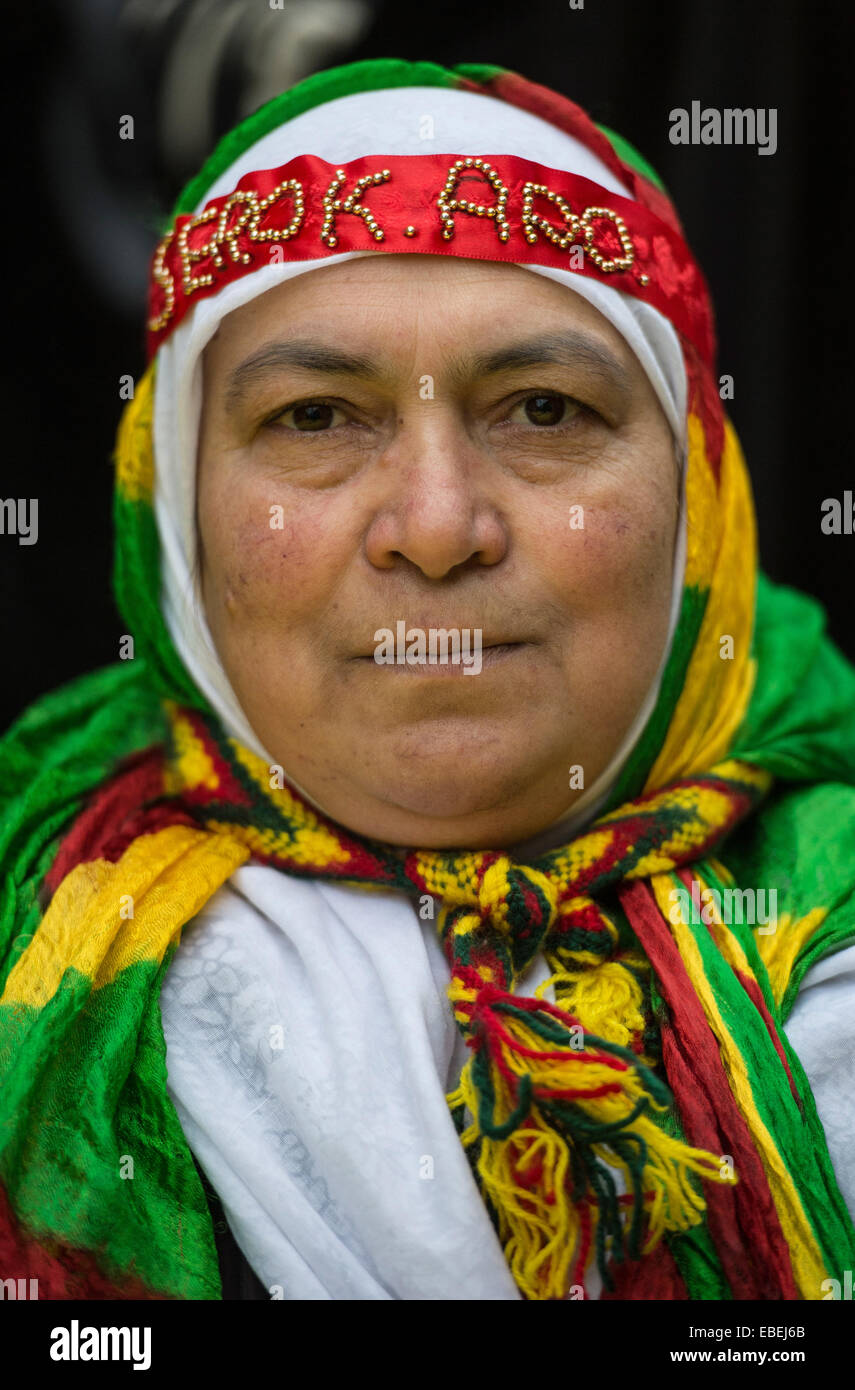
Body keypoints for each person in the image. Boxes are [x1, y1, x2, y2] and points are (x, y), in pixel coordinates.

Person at [1, 56, 853, 1302]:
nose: (439, 525)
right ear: (175, 518)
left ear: (699, 505)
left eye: (546, 410)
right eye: (314, 418)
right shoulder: (45, 943)